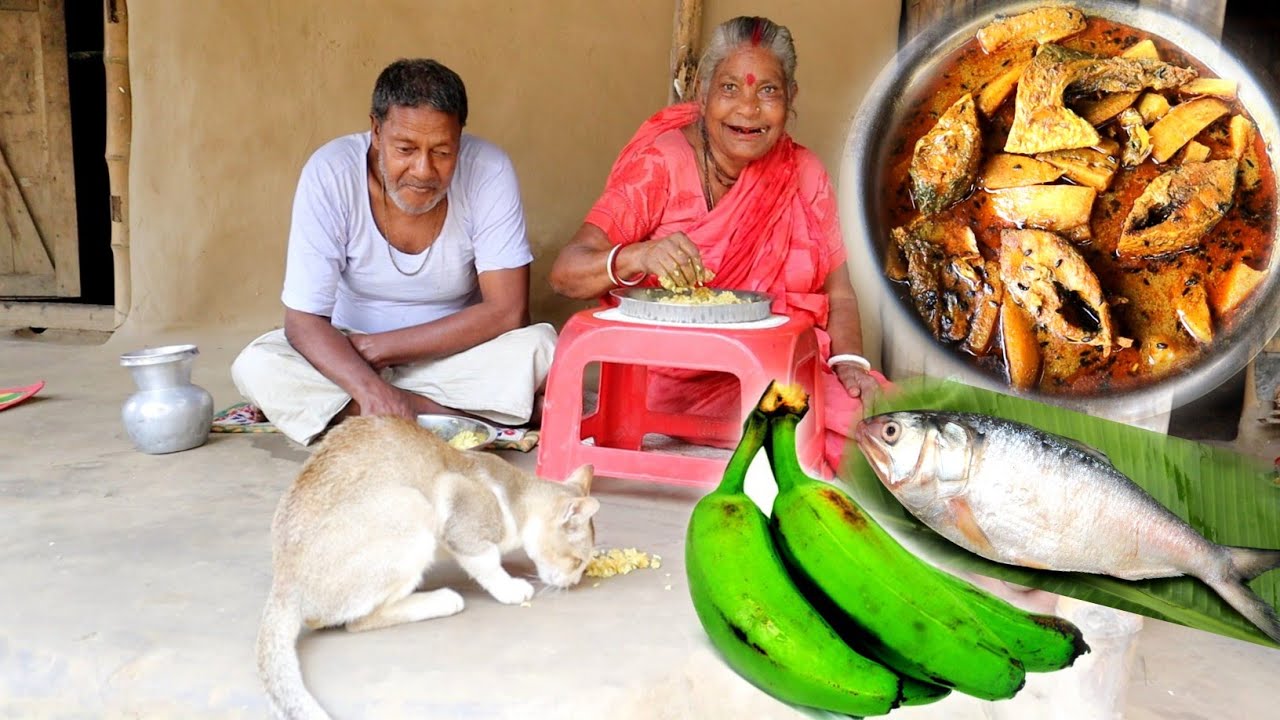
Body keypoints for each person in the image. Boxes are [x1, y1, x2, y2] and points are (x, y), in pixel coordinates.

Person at [548, 16, 884, 476]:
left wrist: (849, 363)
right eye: (730, 89)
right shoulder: (661, 164)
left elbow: (839, 292)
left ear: (791, 99)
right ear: (702, 94)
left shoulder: (802, 172)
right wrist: (637, 254)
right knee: (866, 434)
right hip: (671, 381)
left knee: (889, 413)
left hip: (779, 368)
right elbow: (566, 273)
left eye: (767, 91)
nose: (748, 110)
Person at [232, 58, 555, 445]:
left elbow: (508, 311)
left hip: (452, 353)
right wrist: (370, 385)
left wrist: (379, 350)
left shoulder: (488, 169)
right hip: (349, 352)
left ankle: (359, 410)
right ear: (375, 130)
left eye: (442, 152)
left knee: (543, 349)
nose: (423, 170)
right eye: (405, 148)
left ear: (460, 138)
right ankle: (449, 413)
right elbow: (303, 322)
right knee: (258, 366)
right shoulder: (331, 173)